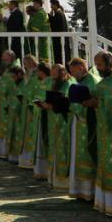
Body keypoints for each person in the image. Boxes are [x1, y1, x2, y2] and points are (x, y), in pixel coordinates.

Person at [86, 51, 112, 218]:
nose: (97, 68)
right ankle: (104, 202)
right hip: (103, 130)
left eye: (100, 65)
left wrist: (97, 103)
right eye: (96, 64)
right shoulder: (106, 81)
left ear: (109, 64)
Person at [67, 56, 100, 202]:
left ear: (81, 67)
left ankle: (89, 191)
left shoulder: (92, 80)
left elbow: (95, 102)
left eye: (74, 72)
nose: (73, 75)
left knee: (87, 154)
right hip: (78, 123)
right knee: (78, 155)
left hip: (88, 123)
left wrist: (81, 104)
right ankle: (80, 190)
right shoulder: (79, 81)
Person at [45, 62, 74, 190]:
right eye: (51, 73)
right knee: (54, 148)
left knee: (62, 149)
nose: (52, 76)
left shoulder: (68, 84)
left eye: (55, 73)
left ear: (62, 73)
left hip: (63, 122)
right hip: (53, 121)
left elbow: (66, 103)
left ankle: (63, 181)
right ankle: (54, 179)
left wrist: (53, 105)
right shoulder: (54, 83)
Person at [0, 50, 18, 159]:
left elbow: (9, 83)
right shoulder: (8, 68)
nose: (2, 59)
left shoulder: (15, 68)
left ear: (11, 57)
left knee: (9, 126)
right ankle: (2, 151)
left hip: (10, 100)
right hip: (4, 100)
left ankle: (9, 152)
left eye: (4, 57)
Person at [16, 55, 40, 169]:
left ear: (32, 63)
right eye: (24, 64)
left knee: (30, 132)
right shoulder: (28, 75)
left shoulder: (36, 75)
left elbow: (34, 90)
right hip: (26, 106)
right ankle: (25, 160)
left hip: (33, 107)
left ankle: (31, 160)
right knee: (25, 132)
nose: (24, 66)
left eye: (26, 63)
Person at [48, 0, 69, 65]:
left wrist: (50, 17)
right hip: (60, 39)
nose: (51, 7)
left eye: (51, 5)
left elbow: (55, 25)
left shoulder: (59, 14)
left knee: (60, 56)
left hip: (59, 40)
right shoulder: (60, 13)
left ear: (55, 5)